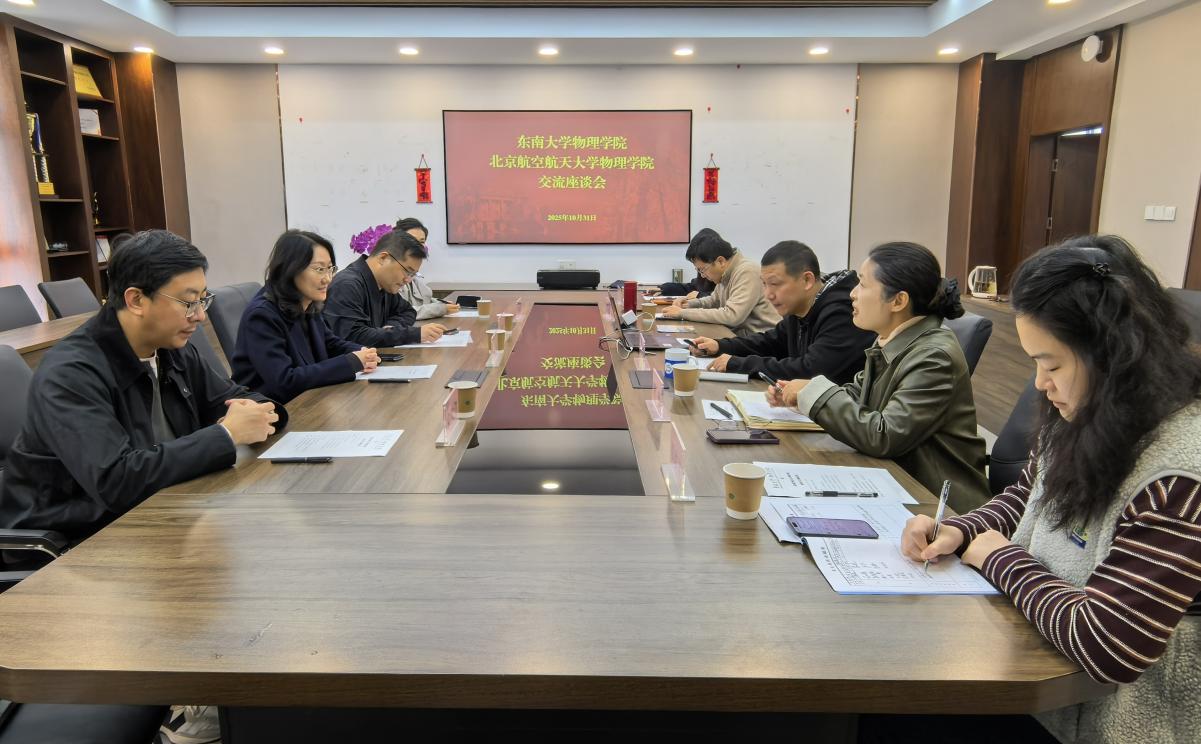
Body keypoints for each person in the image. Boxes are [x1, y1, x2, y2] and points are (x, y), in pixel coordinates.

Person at [892, 236, 1201, 744]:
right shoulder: (1087, 411)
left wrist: (999, 558)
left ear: (1113, 355)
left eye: (1052, 365)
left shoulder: (1180, 476)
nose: (1039, 383)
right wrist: (961, 530)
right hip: (1038, 671)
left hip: (1109, 714)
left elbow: (1111, 645)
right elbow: (1028, 497)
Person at [0, 230, 284, 545]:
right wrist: (227, 434)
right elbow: (116, 482)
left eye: (203, 299)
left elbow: (235, 398)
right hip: (79, 539)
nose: (200, 315)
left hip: (163, 509)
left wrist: (261, 413)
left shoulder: (171, 347)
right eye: (189, 302)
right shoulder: (70, 373)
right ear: (136, 300)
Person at [768, 241, 989, 513]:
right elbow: (858, 395)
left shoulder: (934, 357)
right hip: (897, 482)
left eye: (862, 284)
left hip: (939, 505)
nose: (852, 294)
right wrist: (803, 394)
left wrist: (815, 394)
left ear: (898, 301)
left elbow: (885, 435)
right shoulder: (892, 339)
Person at [689, 240, 874, 383]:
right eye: (765, 284)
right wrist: (720, 346)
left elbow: (811, 370)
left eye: (775, 284)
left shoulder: (843, 312)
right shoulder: (800, 308)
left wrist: (738, 363)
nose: (768, 294)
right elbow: (771, 342)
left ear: (807, 280)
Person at [231, 230, 380, 404]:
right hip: (273, 409)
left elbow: (330, 344)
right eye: (319, 269)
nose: (327, 279)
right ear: (290, 269)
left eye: (330, 269)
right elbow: (285, 380)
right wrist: (350, 363)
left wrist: (363, 352)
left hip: (310, 400)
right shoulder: (262, 315)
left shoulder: (307, 303)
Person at [324, 229, 447, 347]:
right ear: (383, 258)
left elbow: (408, 311)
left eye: (412, 274)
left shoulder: (384, 285)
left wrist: (391, 327)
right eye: (407, 271)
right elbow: (354, 336)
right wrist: (412, 334)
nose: (408, 280)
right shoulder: (347, 285)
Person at [662, 229, 780, 336]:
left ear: (720, 261)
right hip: (741, 336)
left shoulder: (747, 271)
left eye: (702, 270)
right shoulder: (725, 273)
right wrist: (688, 304)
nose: (702, 275)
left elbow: (732, 316)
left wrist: (683, 313)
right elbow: (714, 301)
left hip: (763, 341)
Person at [393, 217, 460, 320]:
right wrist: (439, 309)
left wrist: (441, 304)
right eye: (412, 241)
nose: (417, 246)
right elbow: (402, 312)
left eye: (421, 242)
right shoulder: (391, 276)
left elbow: (423, 300)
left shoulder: (413, 273)